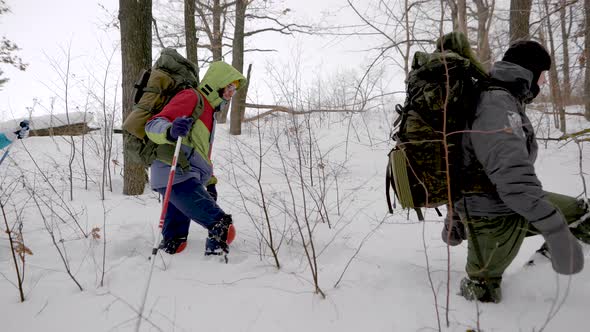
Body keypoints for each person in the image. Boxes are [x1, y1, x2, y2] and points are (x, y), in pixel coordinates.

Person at [441, 40, 590, 303]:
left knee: (582, 215)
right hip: (492, 215)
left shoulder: (497, 96)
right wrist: (555, 230)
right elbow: (512, 178)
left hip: (497, 204)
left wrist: (454, 215)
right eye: (543, 75)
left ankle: (536, 282)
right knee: (481, 298)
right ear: (531, 72)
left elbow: (466, 158)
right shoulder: (496, 103)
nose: (543, 83)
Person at [145, 61, 246, 256]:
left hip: (188, 175)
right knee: (222, 228)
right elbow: (152, 125)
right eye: (230, 86)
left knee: (176, 241)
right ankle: (216, 272)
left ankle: (171, 270)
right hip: (174, 173)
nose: (231, 93)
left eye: (234, 89)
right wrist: (170, 130)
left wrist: (210, 181)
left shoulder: (210, 113)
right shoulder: (192, 97)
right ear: (219, 82)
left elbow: (199, 152)